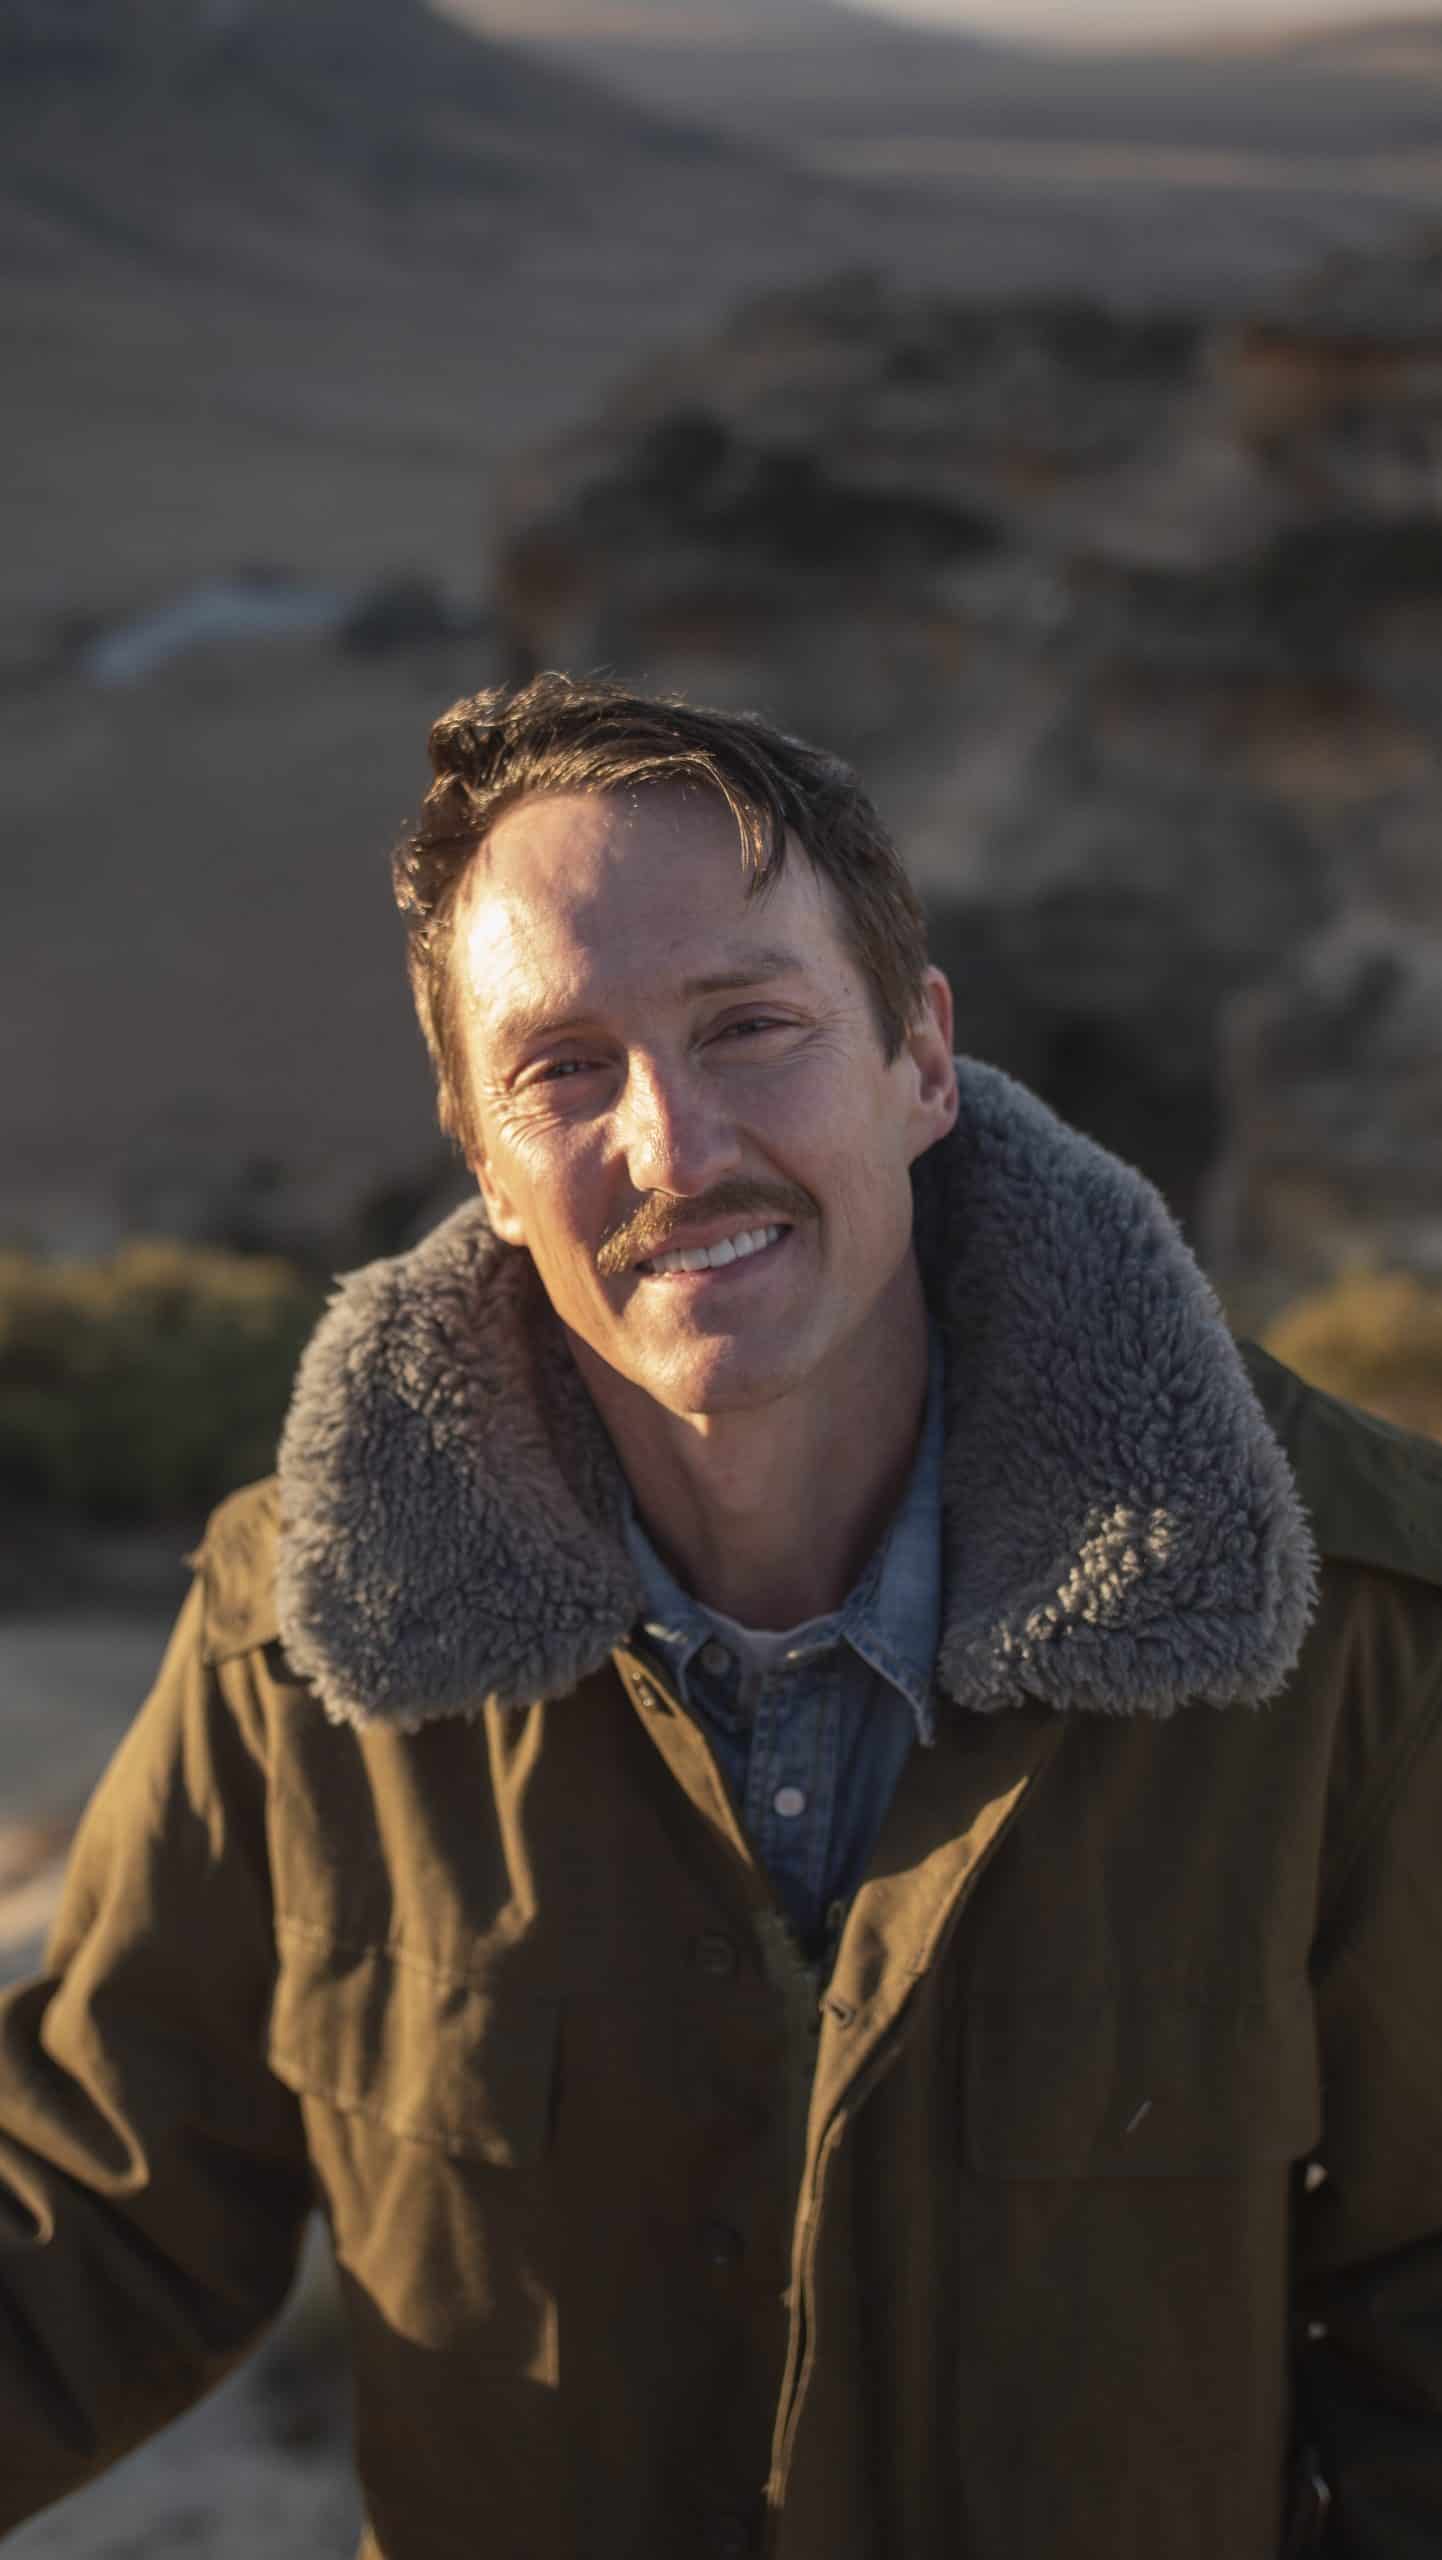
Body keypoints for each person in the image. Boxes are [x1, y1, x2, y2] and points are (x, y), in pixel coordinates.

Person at [3, 672, 1441, 2560]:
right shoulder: (303, 1640)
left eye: (750, 1027)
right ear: (481, 1156)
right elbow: (92, 2209)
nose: (674, 1151)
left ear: (920, 1060)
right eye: (561, 1070)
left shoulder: (1340, 1615)